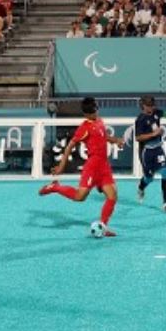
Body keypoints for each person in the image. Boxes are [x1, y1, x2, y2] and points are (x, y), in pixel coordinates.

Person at [39, 96, 127, 237]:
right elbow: (70, 146)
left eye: (96, 110)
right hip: (92, 166)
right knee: (80, 197)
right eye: (93, 112)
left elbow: (103, 136)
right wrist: (61, 166)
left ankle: (103, 226)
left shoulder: (99, 121)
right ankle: (55, 187)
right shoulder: (84, 128)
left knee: (112, 196)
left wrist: (115, 140)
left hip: (104, 166)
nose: (95, 113)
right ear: (86, 114)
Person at [134, 95, 166, 213]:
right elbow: (138, 137)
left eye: (153, 105)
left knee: (165, 172)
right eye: (149, 105)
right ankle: (141, 187)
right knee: (149, 178)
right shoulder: (140, 119)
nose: (151, 107)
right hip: (146, 152)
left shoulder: (156, 112)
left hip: (158, 149)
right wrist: (153, 134)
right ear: (143, 106)